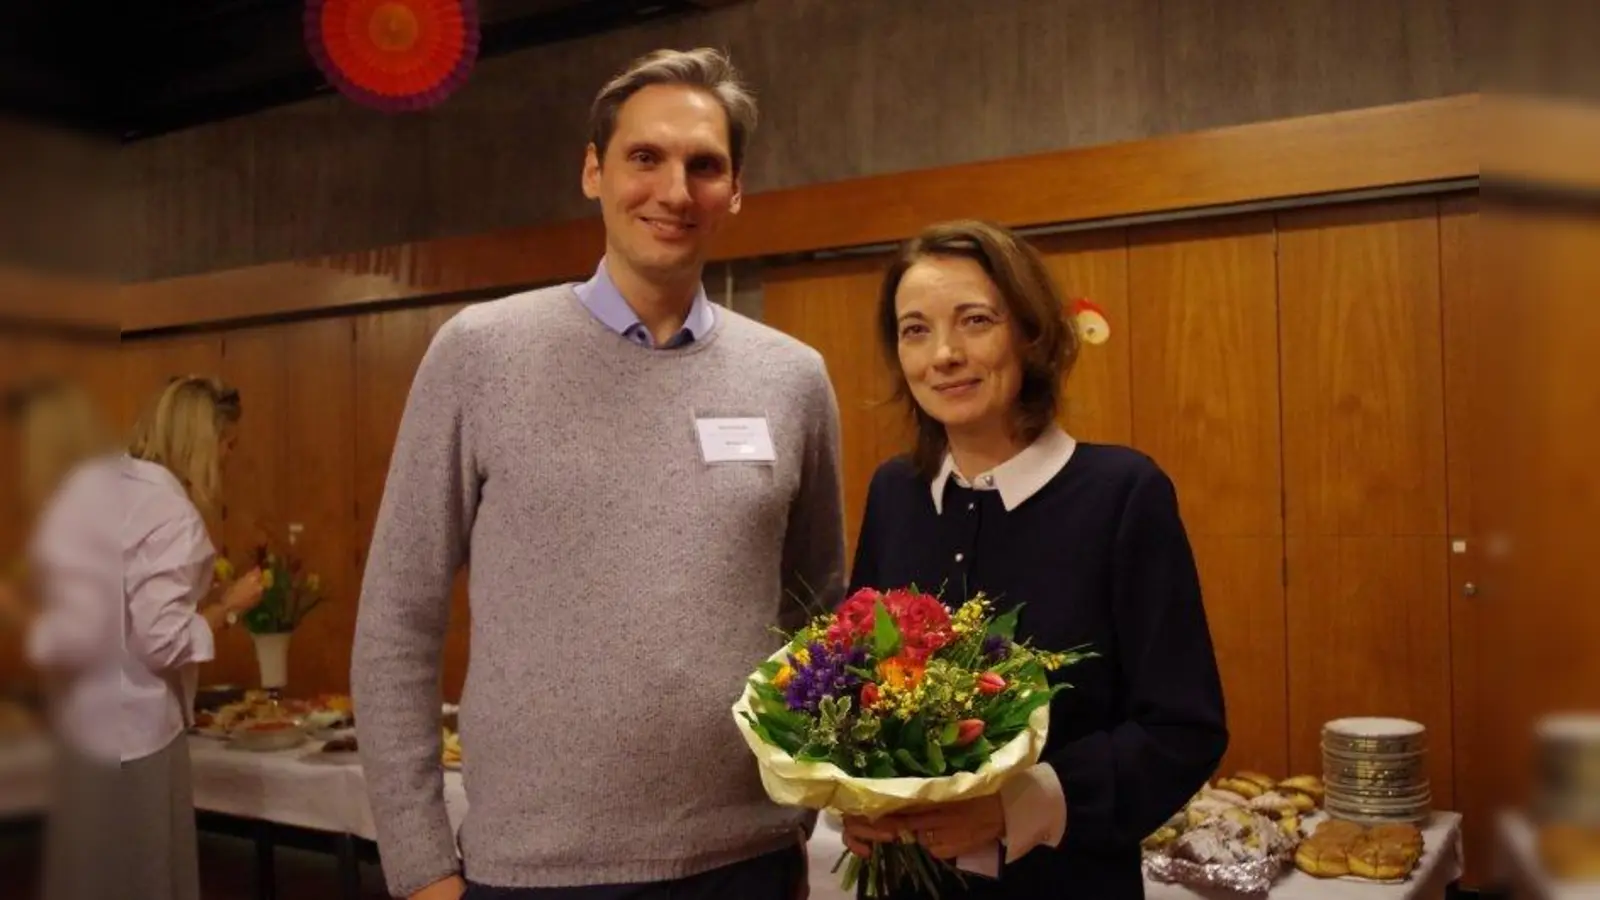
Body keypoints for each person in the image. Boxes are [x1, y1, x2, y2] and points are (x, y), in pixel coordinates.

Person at [352, 48, 845, 900]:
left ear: (734, 191)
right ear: (593, 171)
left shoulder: (792, 377)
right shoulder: (482, 353)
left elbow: (818, 612)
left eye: (704, 165)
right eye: (644, 158)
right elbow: (398, 615)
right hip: (535, 870)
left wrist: (796, 810)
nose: (673, 190)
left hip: (748, 864)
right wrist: (420, 862)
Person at [839, 220, 1228, 898]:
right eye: (916, 330)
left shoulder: (1122, 495)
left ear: (1030, 332)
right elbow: (857, 686)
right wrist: (856, 795)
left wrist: (1014, 809)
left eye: (976, 321)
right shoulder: (893, 493)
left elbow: (1181, 728)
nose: (945, 355)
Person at [0, 375, 265, 900]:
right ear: (204, 442)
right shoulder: (171, 515)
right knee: (151, 878)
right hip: (138, 730)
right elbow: (159, 641)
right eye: (228, 444)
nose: (230, 458)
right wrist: (226, 609)